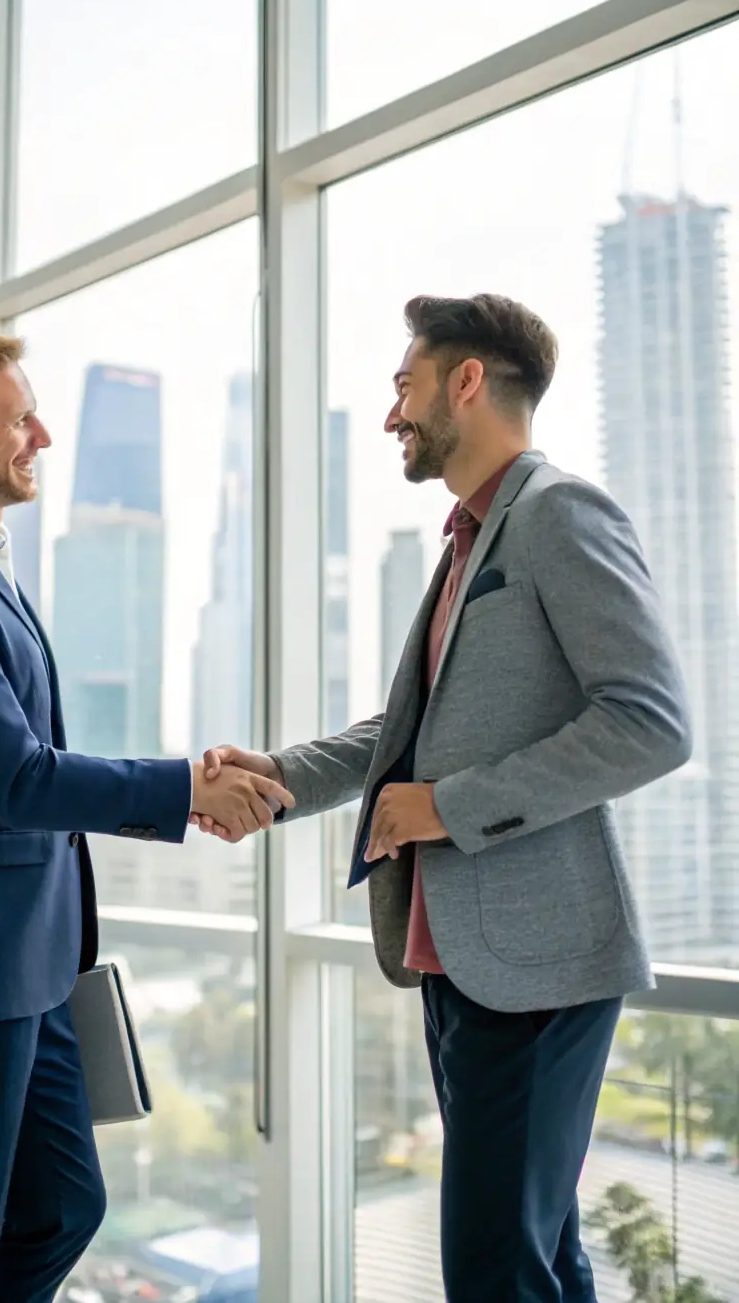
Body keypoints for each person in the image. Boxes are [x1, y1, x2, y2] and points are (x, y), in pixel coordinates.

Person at [194, 294, 692, 1302]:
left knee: (493, 1268)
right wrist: (283, 777)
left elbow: (651, 722)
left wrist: (447, 807)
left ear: (467, 381)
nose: (392, 416)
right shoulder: (468, 541)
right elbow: (406, 732)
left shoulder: (558, 514)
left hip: (540, 966)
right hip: (462, 960)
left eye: (403, 387)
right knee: (535, 1256)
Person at [0, 329, 292, 1303]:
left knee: (61, 1206)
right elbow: (15, 778)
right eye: (18, 420)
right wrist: (185, 790)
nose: (40, 435)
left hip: (34, 966)